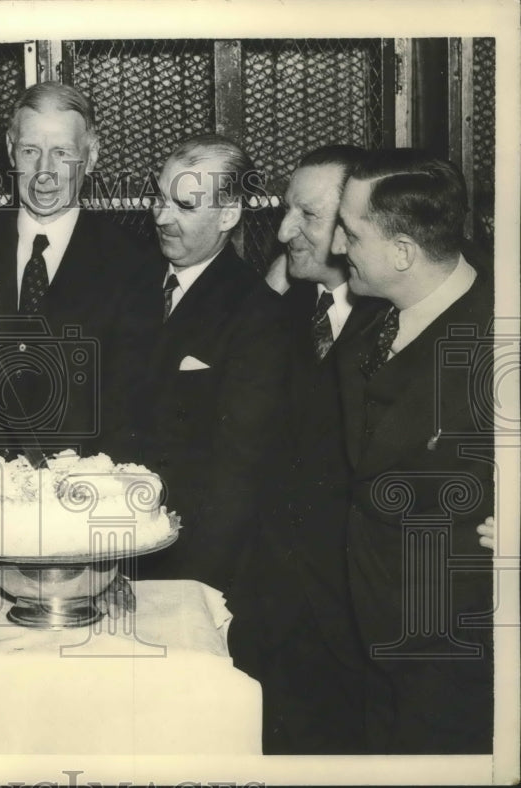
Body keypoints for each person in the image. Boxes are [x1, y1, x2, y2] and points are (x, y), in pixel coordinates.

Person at [332, 149, 494, 753]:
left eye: (350, 234)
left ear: (403, 253)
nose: (336, 248)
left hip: (456, 656)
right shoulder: (375, 318)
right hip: (375, 633)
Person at [228, 145, 385, 753]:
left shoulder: (396, 323)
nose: (285, 230)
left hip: (357, 633)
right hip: (270, 616)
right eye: (285, 211)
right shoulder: (280, 308)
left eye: (308, 216)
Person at [0, 81, 149, 465]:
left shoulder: (136, 260)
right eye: (30, 151)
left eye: (62, 153)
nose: (44, 172)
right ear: (10, 150)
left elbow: (134, 406)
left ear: (92, 156)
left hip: (79, 500)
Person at [110, 134, 289, 592]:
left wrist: (196, 584)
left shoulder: (258, 313)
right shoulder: (127, 280)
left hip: (187, 563)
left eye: (185, 206)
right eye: (160, 197)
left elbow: (238, 473)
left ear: (228, 214)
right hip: (105, 543)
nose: (162, 216)